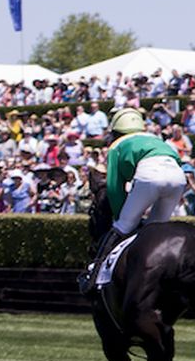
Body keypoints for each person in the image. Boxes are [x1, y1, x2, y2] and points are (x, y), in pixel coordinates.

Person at [78, 108, 186, 294]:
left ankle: (93, 276)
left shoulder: (116, 145)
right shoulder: (155, 139)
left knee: (122, 226)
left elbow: (114, 188)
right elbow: (177, 159)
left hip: (149, 175)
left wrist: (121, 215)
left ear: (115, 132)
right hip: (178, 177)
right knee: (156, 231)